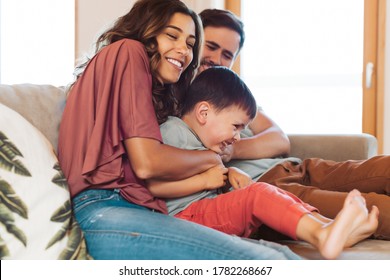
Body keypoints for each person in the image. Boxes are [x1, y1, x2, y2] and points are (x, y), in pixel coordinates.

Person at [57, 0, 302, 260]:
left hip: (133, 208)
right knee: (267, 261)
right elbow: (148, 164)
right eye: (172, 36)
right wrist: (213, 159)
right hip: (103, 208)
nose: (183, 51)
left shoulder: (147, 85)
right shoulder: (129, 51)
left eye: (190, 44)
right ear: (147, 32)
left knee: (277, 253)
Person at [197, 8, 390, 241]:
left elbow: (279, 139)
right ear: (195, 41)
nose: (217, 60)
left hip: (294, 168)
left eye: (227, 54)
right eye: (211, 46)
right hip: (268, 190)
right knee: (375, 208)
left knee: (383, 167)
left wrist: (233, 149)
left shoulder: (234, 95)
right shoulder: (181, 99)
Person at [152, 67, 379, 260]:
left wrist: (230, 172)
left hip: (206, 210)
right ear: (203, 113)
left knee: (269, 191)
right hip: (187, 217)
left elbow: (205, 170)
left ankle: (329, 226)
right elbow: (153, 186)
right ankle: (321, 235)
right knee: (258, 195)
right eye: (236, 126)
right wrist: (202, 180)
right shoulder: (173, 132)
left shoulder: (204, 143)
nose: (238, 138)